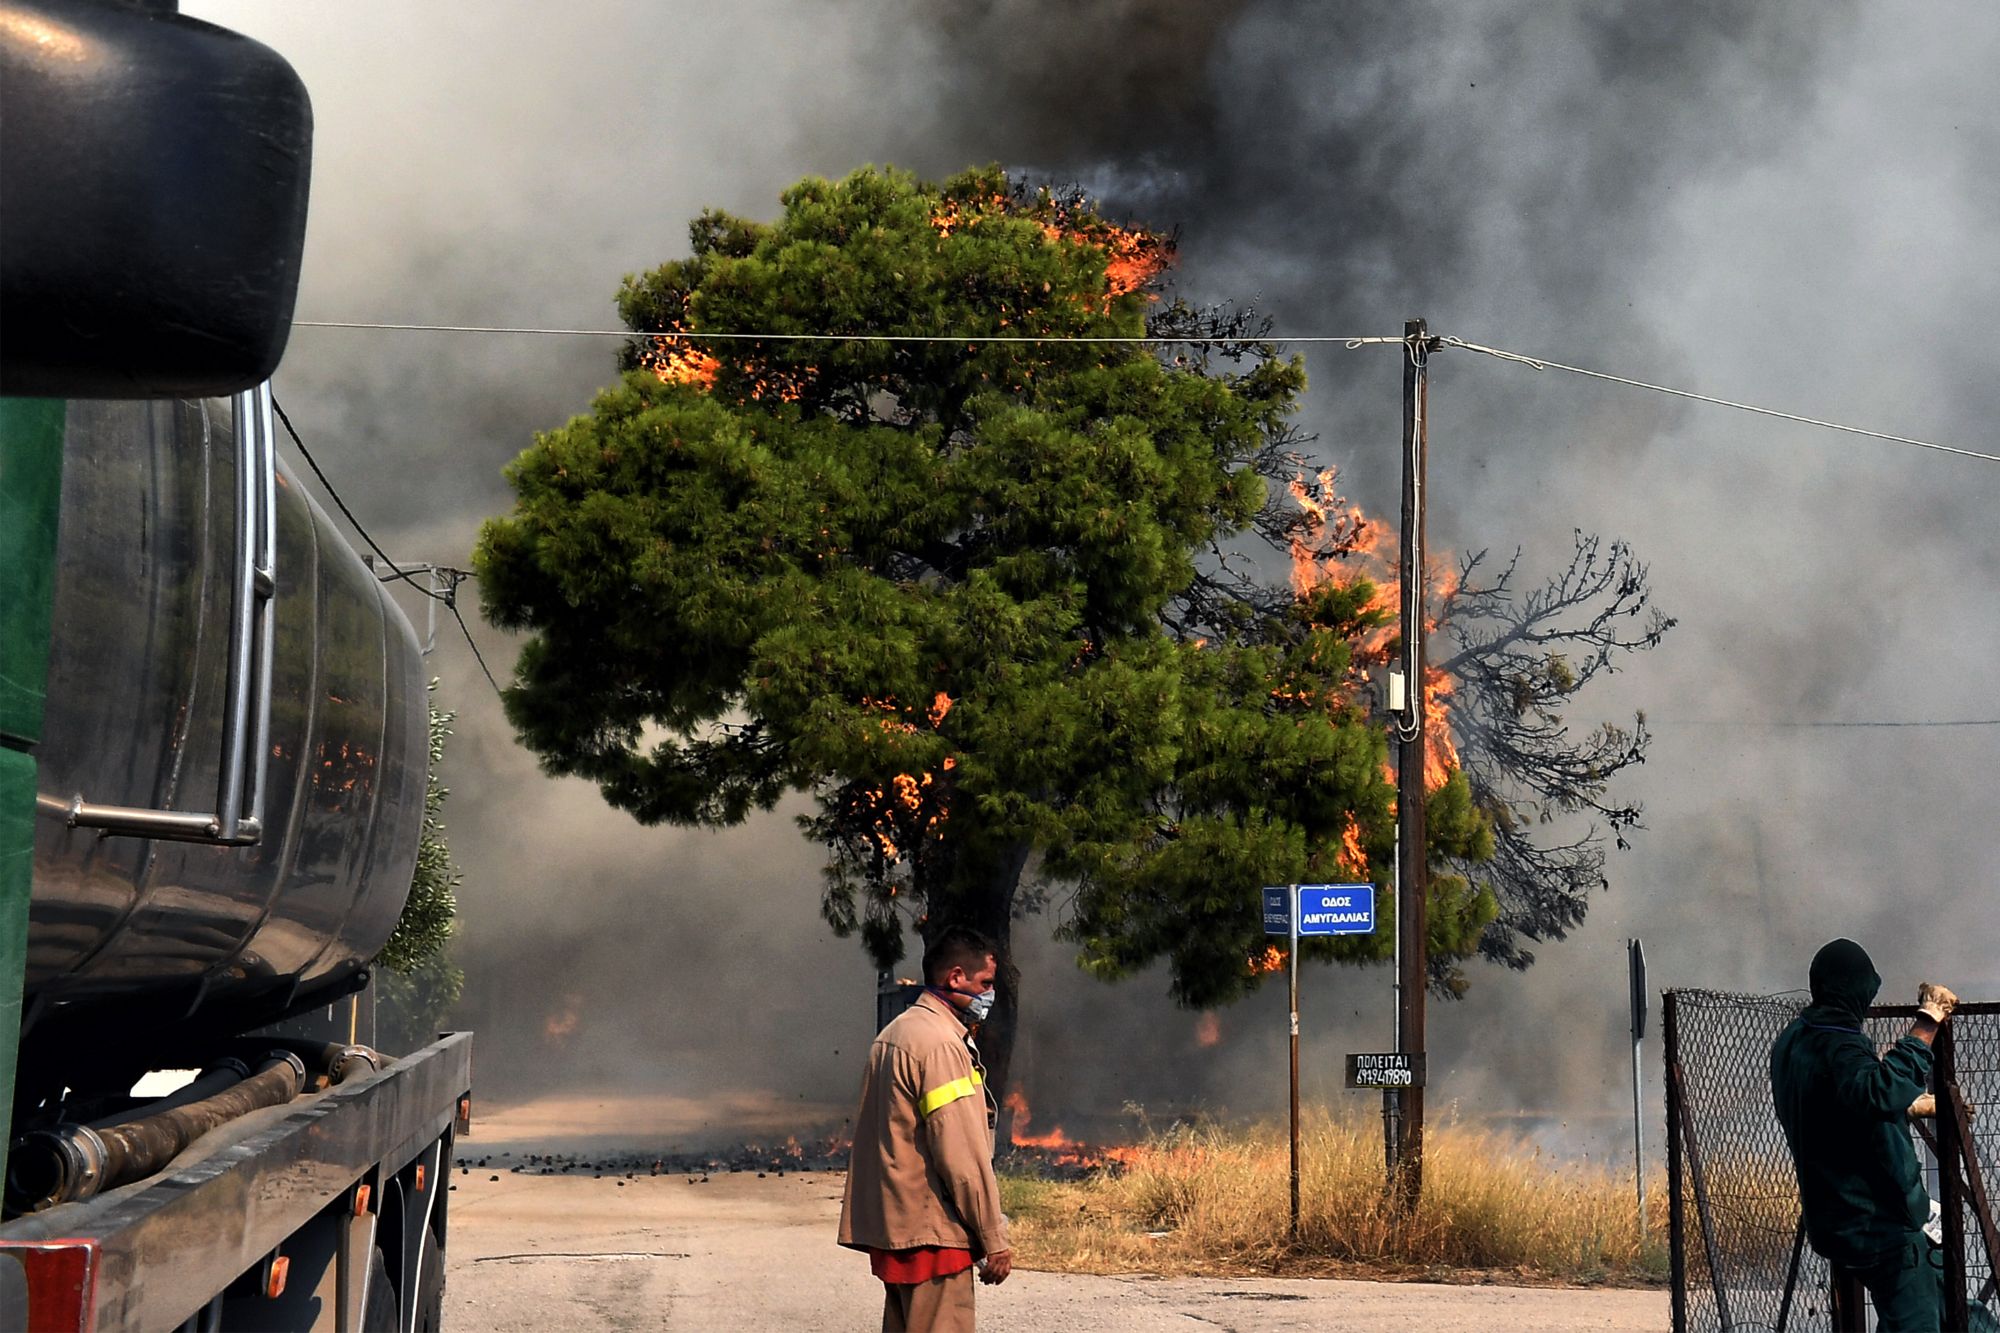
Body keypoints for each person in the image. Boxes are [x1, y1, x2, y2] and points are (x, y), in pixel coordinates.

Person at [1770, 938, 1957, 1332]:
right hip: (1876, 1225)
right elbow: (1877, 1091)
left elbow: (1838, 1104)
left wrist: (1908, 1106)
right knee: (1918, 1322)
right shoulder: (1839, 1045)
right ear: (1854, 991)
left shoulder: (1794, 1040)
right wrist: (1927, 1022)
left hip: (1833, 1216)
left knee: (1927, 1308)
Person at [840, 925, 1012, 1332]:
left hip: (898, 1232)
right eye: (985, 983)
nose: (990, 994)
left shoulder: (894, 1035)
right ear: (955, 978)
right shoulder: (939, 1045)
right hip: (934, 1237)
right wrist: (994, 1237)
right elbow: (962, 1157)